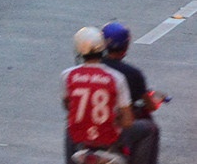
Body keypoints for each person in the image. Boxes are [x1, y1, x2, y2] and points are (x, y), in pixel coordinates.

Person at [65, 25, 132, 162]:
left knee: (69, 129)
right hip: (109, 140)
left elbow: (68, 106)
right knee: (149, 129)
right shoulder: (116, 77)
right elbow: (127, 121)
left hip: (81, 141)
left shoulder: (67, 75)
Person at [102, 23, 162, 164]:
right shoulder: (132, 74)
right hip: (115, 127)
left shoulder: (90, 70)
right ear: (126, 46)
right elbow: (150, 105)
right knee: (151, 129)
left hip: (91, 128)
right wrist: (157, 100)